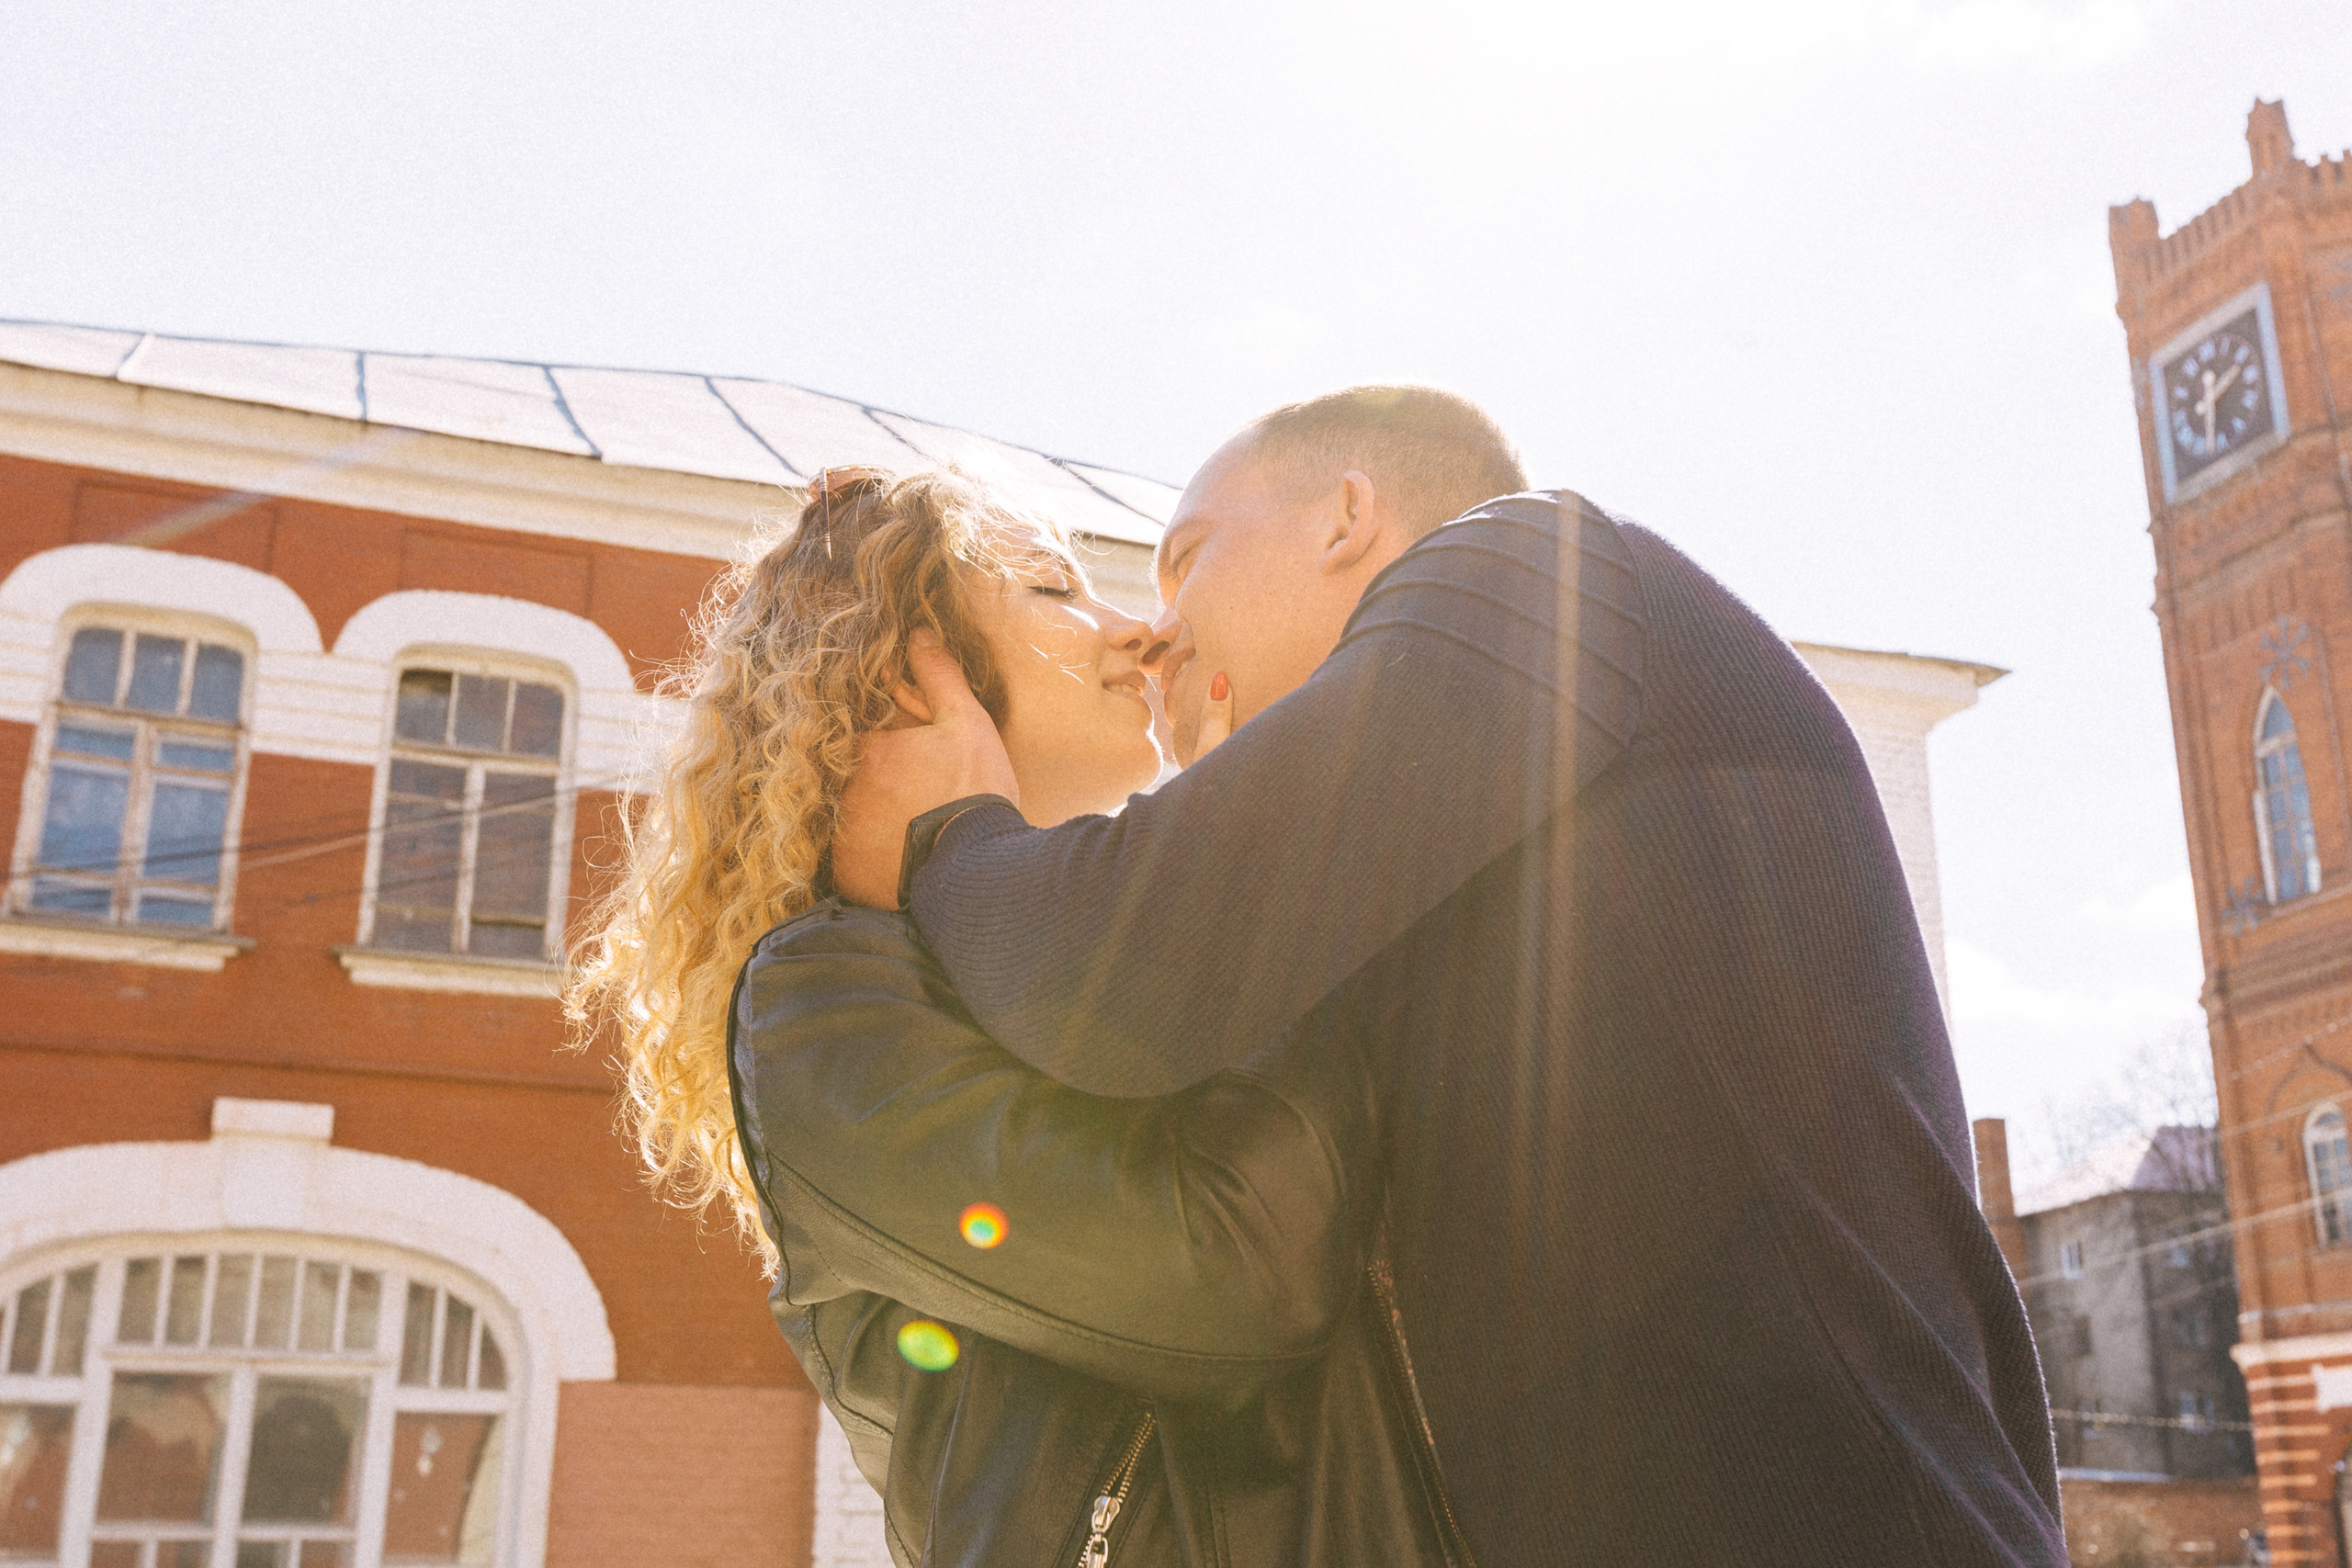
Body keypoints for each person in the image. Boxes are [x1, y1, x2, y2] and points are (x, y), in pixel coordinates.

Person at [835, 386, 2069, 1566]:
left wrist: (953, 825)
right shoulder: (1432, 838)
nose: (1158, 629)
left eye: (1187, 555)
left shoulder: (1545, 568)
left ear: (1346, 517)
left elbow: (1098, 981)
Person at [569, 468, 1456, 1568]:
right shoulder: (818, 1007)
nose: (1138, 631)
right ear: (905, 675)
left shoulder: (1115, 962)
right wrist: (1250, 887)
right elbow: (1239, 1269)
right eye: (1054, 590)